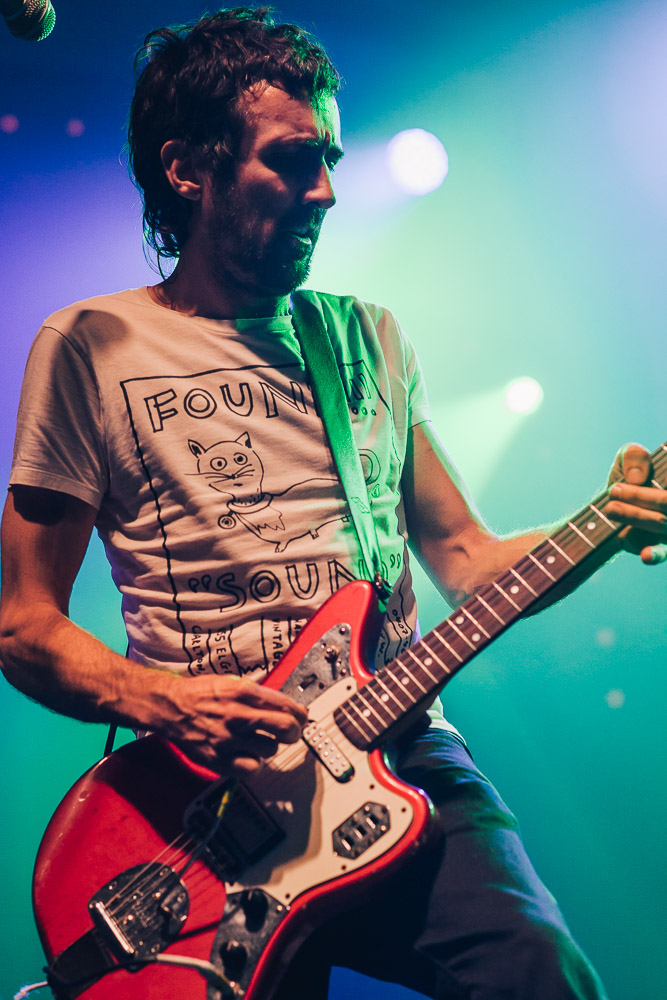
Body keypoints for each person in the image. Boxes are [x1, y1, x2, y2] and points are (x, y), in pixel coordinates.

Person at [0, 7, 665, 1000]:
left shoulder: (369, 341)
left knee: (538, 974)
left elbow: (469, 562)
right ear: (188, 167)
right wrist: (162, 697)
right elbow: (21, 624)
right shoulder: (91, 346)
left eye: (332, 158)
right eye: (294, 160)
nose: (327, 190)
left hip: (401, 759)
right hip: (203, 814)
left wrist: (603, 522)